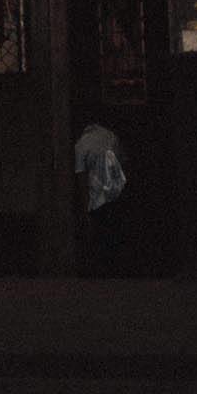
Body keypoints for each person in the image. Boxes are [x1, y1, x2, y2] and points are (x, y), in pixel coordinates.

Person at [73, 116, 128, 276]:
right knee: (113, 230)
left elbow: (81, 176)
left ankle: (98, 269)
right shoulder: (111, 137)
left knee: (97, 230)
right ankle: (114, 267)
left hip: (96, 194)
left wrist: (85, 204)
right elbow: (123, 162)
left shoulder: (82, 144)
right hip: (113, 191)